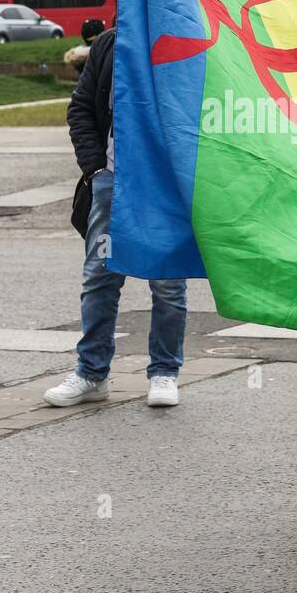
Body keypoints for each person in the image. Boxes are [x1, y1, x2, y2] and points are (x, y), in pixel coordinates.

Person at [44, 26, 188, 409]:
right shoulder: (110, 43)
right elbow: (80, 107)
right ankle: (92, 373)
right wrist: (96, 170)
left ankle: (164, 372)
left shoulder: (183, 34)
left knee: (168, 283)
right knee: (99, 279)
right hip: (112, 182)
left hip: (164, 186)